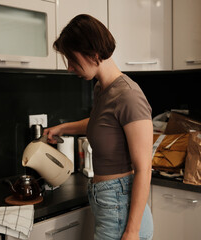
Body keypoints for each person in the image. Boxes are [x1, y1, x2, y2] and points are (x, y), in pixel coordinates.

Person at [43, 14, 154, 240]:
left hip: (121, 208)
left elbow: (144, 169)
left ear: (93, 55)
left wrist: (132, 232)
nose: (69, 68)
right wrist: (62, 128)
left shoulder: (129, 95)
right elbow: (102, 123)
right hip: (108, 203)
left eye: (72, 60)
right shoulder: (102, 90)